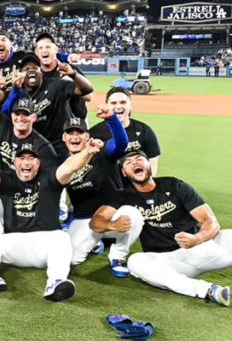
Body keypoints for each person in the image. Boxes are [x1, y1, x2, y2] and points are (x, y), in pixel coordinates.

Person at [92, 151, 231, 306]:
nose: (135, 163)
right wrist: (112, 225)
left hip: (201, 250)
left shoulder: (175, 185)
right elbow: (96, 222)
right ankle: (209, 291)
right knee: (135, 261)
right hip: (166, 260)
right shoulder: (123, 196)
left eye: (139, 159)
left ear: (149, 165)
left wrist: (196, 239)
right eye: (128, 162)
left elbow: (210, 221)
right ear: (124, 172)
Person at [0, 143, 87, 301]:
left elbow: (69, 167)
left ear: (38, 163)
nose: (26, 162)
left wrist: (87, 151)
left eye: (31, 158)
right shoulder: (7, 179)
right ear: (15, 163)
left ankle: (56, 281)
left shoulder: (49, 178)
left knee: (62, 238)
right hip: (15, 245)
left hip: (44, 248)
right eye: (21, 158)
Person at [61, 110, 142, 276]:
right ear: (64, 137)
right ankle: (95, 242)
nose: (75, 137)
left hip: (113, 213)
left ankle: (118, 255)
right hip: (84, 218)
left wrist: (112, 119)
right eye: (70, 133)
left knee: (133, 215)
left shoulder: (103, 151)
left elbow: (121, 142)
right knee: (70, 259)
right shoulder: (62, 163)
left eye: (80, 133)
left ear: (88, 136)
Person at [89, 87, 162, 177]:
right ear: (106, 106)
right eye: (113, 103)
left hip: (136, 187)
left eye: (123, 102)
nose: (119, 106)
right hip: (108, 187)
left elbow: (152, 166)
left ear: (130, 105)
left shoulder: (145, 131)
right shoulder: (95, 133)